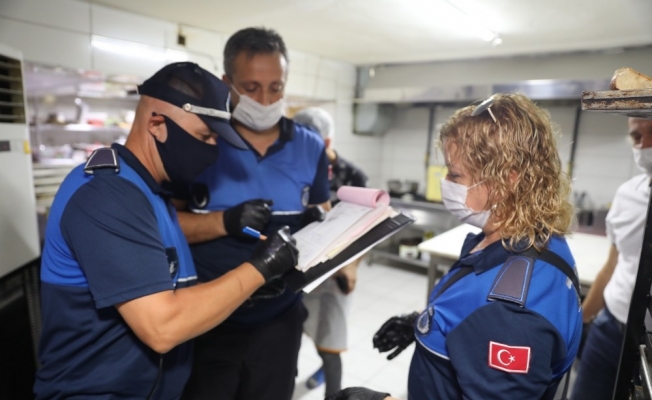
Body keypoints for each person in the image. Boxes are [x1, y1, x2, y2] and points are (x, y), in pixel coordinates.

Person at [33, 62, 300, 400]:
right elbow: (162, 326)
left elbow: (166, 288)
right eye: (204, 136)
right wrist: (259, 268)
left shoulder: (153, 191)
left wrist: (241, 292)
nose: (212, 149)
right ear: (157, 125)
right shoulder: (107, 195)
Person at [330, 93, 582, 400]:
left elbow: (492, 320)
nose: (445, 182)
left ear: (507, 181)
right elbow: (473, 309)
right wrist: (426, 324)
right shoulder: (530, 239)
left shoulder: (511, 315)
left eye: (454, 174)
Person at [176, 28, 331, 400]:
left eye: (276, 87)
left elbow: (322, 210)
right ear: (227, 84)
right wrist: (224, 221)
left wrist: (318, 224)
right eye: (251, 87)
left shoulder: (309, 146)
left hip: (279, 321)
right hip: (208, 318)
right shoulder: (201, 142)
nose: (265, 100)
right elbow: (165, 225)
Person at [571, 117, 652, 400]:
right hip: (610, 328)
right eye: (636, 137)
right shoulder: (628, 195)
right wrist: (579, 322)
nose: (644, 145)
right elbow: (612, 266)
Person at [293, 107, 368, 396]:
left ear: (325, 142)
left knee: (329, 343)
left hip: (334, 274)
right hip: (297, 272)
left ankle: (330, 384)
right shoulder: (293, 170)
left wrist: (351, 266)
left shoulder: (352, 176)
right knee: (292, 337)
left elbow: (365, 227)